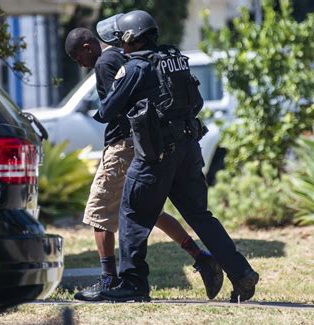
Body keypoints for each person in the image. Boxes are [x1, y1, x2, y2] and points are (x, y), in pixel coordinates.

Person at [93, 10, 259, 303]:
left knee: (131, 213)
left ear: (131, 39)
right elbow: (197, 102)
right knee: (200, 216)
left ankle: (132, 284)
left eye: (122, 39)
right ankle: (241, 272)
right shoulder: (174, 60)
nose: (120, 44)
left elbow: (106, 112)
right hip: (187, 149)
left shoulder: (135, 68)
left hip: (156, 155)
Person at [64, 26, 223, 301]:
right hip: (141, 142)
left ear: (87, 48)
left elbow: (111, 110)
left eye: (78, 57)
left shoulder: (103, 62)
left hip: (122, 145)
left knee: (98, 212)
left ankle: (109, 281)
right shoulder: (124, 56)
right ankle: (201, 256)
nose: (80, 63)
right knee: (149, 211)